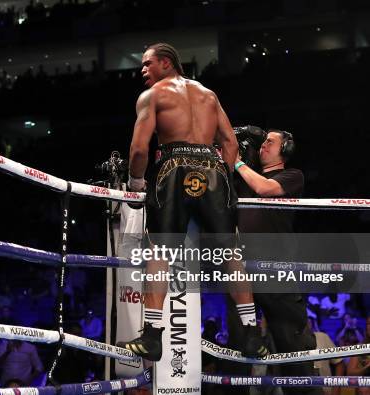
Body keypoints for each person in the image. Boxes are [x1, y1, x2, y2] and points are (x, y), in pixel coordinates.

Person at [117, 42, 265, 361]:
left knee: (160, 250)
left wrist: (136, 184)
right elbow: (229, 143)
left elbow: (139, 150)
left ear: (167, 63)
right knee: (230, 251)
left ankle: (153, 336)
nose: (142, 70)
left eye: (148, 63)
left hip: (172, 168)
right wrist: (219, 178)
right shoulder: (209, 95)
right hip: (213, 169)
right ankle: (252, 332)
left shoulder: (153, 95)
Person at [229, 128, 319, 395]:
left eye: (271, 142)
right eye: (263, 142)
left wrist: (237, 162)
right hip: (243, 273)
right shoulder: (242, 179)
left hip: (278, 271)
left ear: (285, 150)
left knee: (293, 348)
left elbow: (265, 188)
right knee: (238, 347)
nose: (264, 146)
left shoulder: (291, 176)